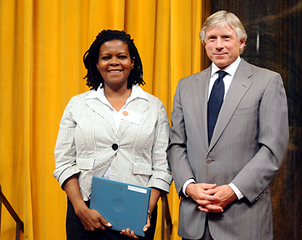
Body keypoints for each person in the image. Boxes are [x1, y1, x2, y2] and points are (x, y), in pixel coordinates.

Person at [167, 10, 289, 240]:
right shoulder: (186, 86)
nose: (219, 45)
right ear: (204, 43)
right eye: (212, 38)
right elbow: (176, 144)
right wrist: (189, 187)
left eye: (226, 38)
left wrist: (233, 191)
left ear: (242, 42)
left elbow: (272, 149)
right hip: (195, 219)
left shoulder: (267, 81)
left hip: (244, 220)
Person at [53, 30, 172, 240]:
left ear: (132, 62)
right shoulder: (77, 105)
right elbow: (64, 161)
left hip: (137, 213)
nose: (114, 62)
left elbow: (162, 167)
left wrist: (144, 213)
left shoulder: (154, 107)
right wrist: (81, 209)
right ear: (97, 64)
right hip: (84, 213)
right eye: (106, 57)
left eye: (121, 57)